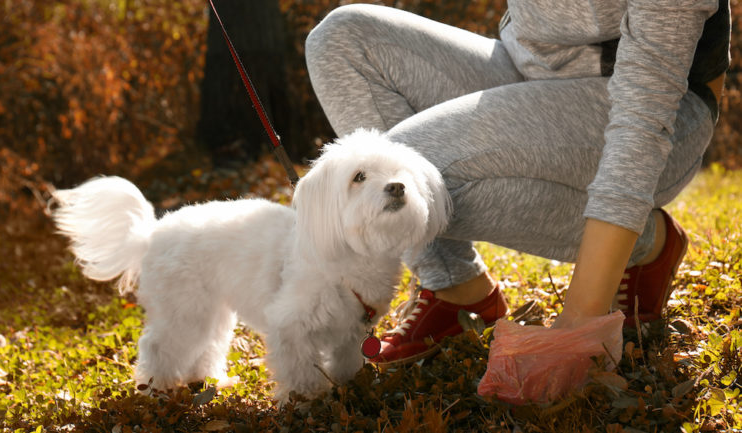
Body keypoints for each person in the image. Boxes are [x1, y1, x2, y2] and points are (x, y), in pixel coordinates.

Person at [304, 1, 730, 367]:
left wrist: (580, 323)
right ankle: (455, 285)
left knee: (406, 173)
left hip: (658, 107)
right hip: (523, 70)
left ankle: (647, 241)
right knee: (340, 40)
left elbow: (645, 109)